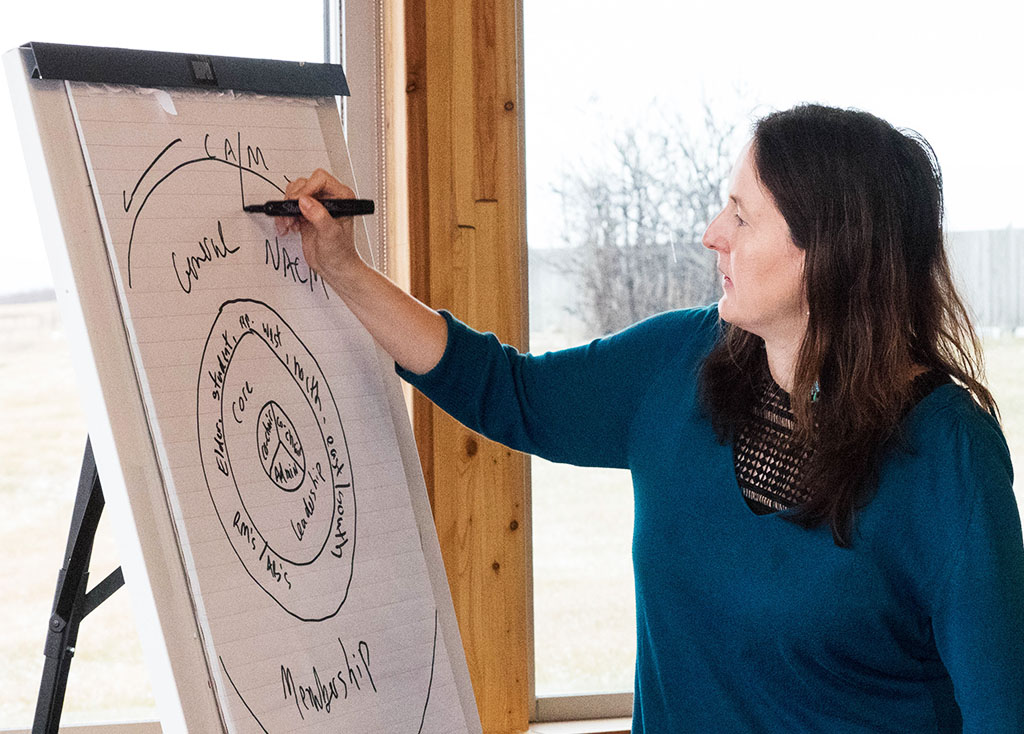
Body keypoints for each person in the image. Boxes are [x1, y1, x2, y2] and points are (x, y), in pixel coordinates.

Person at [279, 104, 1024, 733]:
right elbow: (505, 388)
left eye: (742, 215)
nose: (712, 232)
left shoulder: (948, 452)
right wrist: (343, 267)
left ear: (826, 253)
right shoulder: (677, 364)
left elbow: (1001, 711)